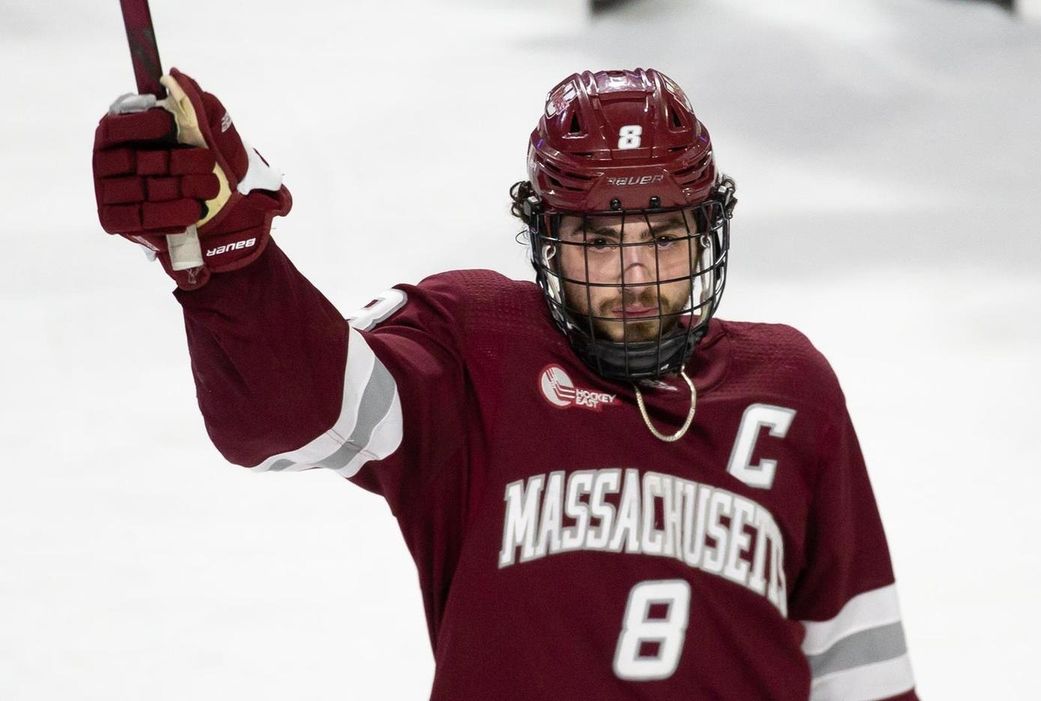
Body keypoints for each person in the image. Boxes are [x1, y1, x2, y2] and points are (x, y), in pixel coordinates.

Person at [92, 67, 919, 700]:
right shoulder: (476, 349)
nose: (633, 270)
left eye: (664, 233)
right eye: (597, 238)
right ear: (545, 242)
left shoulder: (789, 387)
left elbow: (863, 664)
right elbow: (292, 419)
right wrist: (235, 266)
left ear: (709, 232)